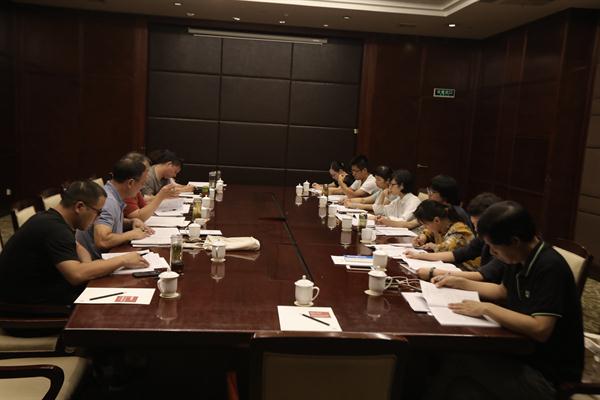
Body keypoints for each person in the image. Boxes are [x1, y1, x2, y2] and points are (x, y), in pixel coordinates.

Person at [427, 201, 583, 400]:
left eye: (494, 248)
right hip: (519, 353)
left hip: (546, 376)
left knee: (456, 360)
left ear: (515, 241)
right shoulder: (519, 255)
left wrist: (486, 309)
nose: (492, 253)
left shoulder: (549, 267)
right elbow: (503, 291)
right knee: (460, 386)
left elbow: (541, 328)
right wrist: (460, 283)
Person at [0, 181, 149, 305]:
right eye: (98, 212)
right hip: (25, 306)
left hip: (38, 292)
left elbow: (78, 246)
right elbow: (76, 275)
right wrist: (122, 260)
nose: (98, 219)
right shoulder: (54, 229)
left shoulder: (52, 218)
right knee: (111, 308)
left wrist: (88, 267)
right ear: (79, 207)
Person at [407, 192, 507, 283]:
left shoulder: (505, 249)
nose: (476, 230)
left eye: (478, 226)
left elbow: (484, 276)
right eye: (474, 225)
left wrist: (433, 272)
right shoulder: (482, 239)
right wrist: (419, 255)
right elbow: (457, 254)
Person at [76, 157, 153, 259]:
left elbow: (110, 221)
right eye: (142, 184)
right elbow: (102, 240)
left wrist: (131, 222)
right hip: (96, 262)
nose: (141, 188)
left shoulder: (111, 194)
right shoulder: (109, 202)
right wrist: (131, 234)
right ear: (130, 183)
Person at [411, 200, 475, 270]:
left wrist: (434, 246)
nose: (425, 227)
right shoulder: (441, 226)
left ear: (436, 220)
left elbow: (446, 250)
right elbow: (429, 232)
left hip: (467, 270)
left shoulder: (459, 229)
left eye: (425, 224)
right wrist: (423, 237)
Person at [122, 152, 178, 221]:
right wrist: (160, 196)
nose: (147, 176)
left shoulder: (134, 187)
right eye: (146, 171)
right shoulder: (127, 189)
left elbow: (145, 207)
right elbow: (138, 217)